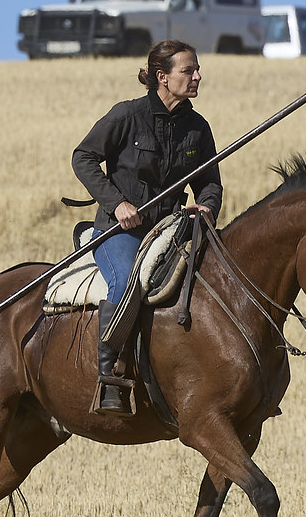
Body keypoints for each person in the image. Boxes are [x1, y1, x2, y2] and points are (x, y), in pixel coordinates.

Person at [72, 39, 222, 416]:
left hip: (172, 231)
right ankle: (111, 377)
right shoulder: (126, 116)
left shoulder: (198, 128)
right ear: (162, 77)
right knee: (126, 281)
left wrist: (205, 208)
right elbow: (84, 157)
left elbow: (209, 183)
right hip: (118, 233)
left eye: (196, 69)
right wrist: (117, 203)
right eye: (188, 70)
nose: (197, 76)